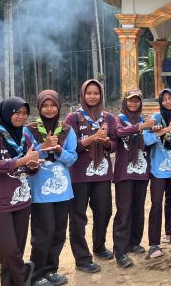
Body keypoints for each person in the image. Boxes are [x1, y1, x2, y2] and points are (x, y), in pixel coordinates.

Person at [65, 79, 118, 273]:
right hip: (79, 175)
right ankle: (82, 258)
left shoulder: (108, 117)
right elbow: (70, 147)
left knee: (104, 211)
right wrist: (93, 138)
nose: (93, 96)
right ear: (82, 95)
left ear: (101, 95)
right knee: (78, 217)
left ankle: (99, 246)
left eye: (96, 93)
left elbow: (115, 145)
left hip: (102, 173)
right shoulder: (73, 118)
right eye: (89, 93)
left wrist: (106, 143)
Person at [25, 91, 77, 286]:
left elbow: (72, 158)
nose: (49, 109)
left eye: (53, 105)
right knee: (42, 234)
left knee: (58, 233)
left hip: (63, 190)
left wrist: (59, 150)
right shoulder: (29, 130)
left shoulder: (67, 130)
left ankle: (50, 270)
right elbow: (26, 157)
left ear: (58, 106)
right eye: (45, 105)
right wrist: (43, 146)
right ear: (39, 108)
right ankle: (36, 275)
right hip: (40, 190)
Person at [0, 97, 39, 286]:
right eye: (17, 112)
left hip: (21, 200)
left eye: (25, 113)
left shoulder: (25, 136)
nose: (21, 117)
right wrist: (22, 161)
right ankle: (24, 272)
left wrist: (33, 165)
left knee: (16, 249)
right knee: (6, 249)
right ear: (6, 113)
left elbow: (30, 168)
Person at [143, 88, 171, 259]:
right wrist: (164, 130)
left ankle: (169, 233)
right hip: (158, 169)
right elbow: (146, 139)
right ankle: (153, 244)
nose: (168, 102)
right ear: (160, 103)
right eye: (164, 99)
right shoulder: (155, 118)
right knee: (156, 204)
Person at [112, 89, 155, 268]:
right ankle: (120, 251)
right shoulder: (118, 119)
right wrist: (141, 127)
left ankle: (134, 242)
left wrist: (156, 130)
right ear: (125, 101)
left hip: (142, 170)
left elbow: (150, 141)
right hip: (124, 171)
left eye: (137, 100)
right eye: (130, 100)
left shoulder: (145, 119)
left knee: (138, 208)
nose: (133, 103)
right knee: (124, 211)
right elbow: (120, 133)